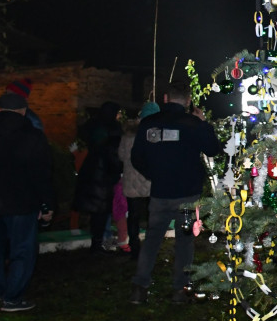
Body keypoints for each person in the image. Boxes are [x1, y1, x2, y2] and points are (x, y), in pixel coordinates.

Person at [130, 82, 221, 303]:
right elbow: (213, 149)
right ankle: (180, 290)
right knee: (185, 241)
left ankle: (139, 288)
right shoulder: (192, 124)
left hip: (160, 192)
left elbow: (136, 158)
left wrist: (154, 175)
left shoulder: (149, 124)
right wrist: (203, 123)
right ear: (188, 101)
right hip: (187, 193)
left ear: (165, 98)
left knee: (152, 240)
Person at [0, 93, 54, 312]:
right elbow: (42, 174)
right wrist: (46, 204)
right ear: (24, 111)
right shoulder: (33, 137)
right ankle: (13, 297)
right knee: (22, 250)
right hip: (22, 203)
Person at [73, 102, 123, 253]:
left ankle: (97, 241)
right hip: (104, 174)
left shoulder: (93, 125)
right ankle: (97, 243)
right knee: (101, 212)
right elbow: (114, 154)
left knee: (97, 212)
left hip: (92, 170)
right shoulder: (112, 129)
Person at [118, 101, 159, 260]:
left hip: (131, 181)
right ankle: (150, 248)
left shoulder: (128, 134)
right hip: (150, 181)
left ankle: (134, 247)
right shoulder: (154, 134)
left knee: (133, 216)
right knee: (152, 216)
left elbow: (121, 155)